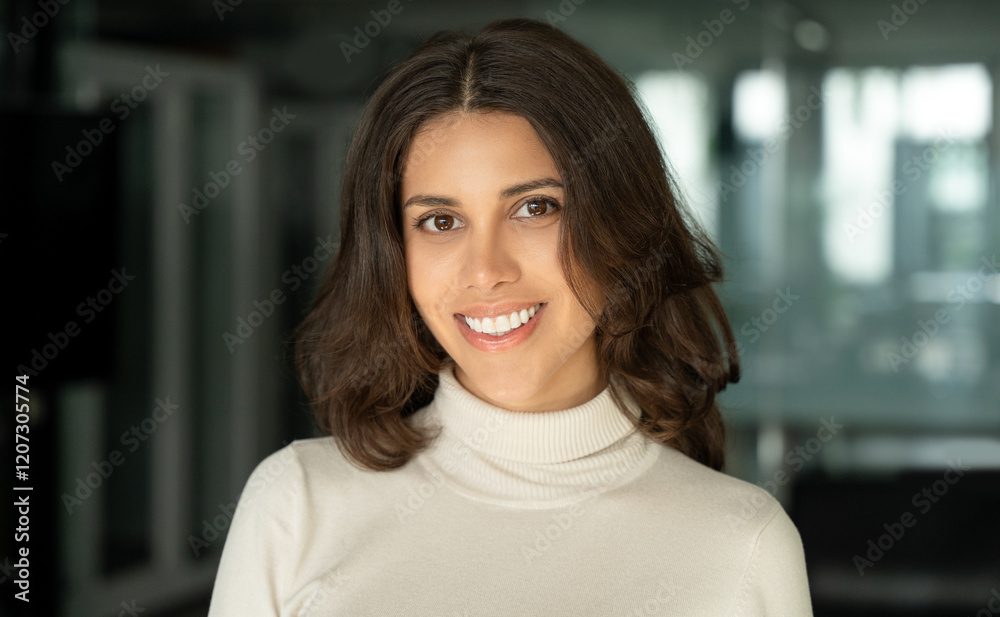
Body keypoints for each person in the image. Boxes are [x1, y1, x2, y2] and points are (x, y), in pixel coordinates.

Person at [207, 17, 813, 616]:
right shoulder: (296, 505)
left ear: (619, 225)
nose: (486, 270)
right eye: (441, 221)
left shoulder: (742, 546)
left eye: (535, 208)